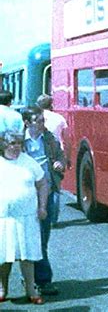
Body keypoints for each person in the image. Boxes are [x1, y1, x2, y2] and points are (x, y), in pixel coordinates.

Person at [0, 129, 48, 305]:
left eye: (19, 143)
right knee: (4, 256)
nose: (16, 147)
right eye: (12, 143)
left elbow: (43, 183)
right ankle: (2, 288)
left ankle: (31, 289)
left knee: (27, 255)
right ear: (4, 144)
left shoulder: (29, 162)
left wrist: (42, 206)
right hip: (3, 217)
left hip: (27, 217)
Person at [23, 107, 65, 297]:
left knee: (42, 237)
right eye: (38, 121)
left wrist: (60, 163)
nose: (42, 124)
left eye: (42, 120)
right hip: (25, 194)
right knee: (24, 238)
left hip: (47, 192)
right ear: (27, 123)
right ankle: (37, 278)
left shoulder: (49, 139)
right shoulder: (18, 142)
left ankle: (38, 278)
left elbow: (60, 155)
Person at [36, 94, 70, 225]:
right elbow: (66, 140)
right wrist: (67, 158)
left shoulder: (35, 118)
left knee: (39, 185)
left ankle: (40, 212)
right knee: (55, 187)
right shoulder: (60, 118)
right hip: (56, 154)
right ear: (51, 104)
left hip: (39, 153)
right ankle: (53, 219)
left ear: (38, 105)